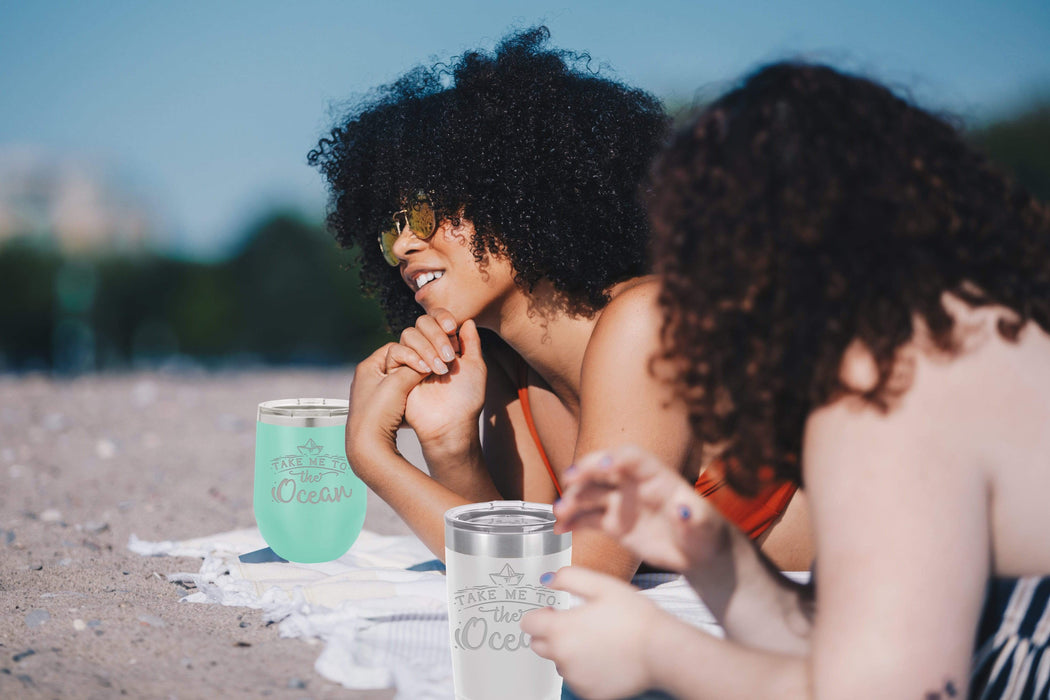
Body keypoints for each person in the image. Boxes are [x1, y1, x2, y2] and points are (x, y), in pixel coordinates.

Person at [522, 61, 1050, 698]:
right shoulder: (958, 333)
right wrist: (716, 556)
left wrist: (655, 651)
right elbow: (856, 643)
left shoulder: (899, 384)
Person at [307, 27, 812, 577]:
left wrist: (371, 456)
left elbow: (577, 572)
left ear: (515, 193)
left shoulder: (648, 320)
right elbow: (512, 546)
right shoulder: (507, 366)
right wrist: (452, 449)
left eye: (424, 213)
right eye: (391, 230)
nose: (404, 245)